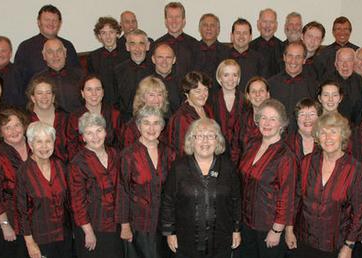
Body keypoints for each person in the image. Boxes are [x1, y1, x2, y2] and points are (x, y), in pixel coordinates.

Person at [286, 112, 362, 258]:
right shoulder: (307, 162)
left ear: (342, 136)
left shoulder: (355, 169)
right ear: (317, 136)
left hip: (334, 245)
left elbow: (359, 212)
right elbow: (295, 199)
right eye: (323, 133)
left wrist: (349, 245)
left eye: (333, 132)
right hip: (303, 240)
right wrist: (289, 229)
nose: (328, 138)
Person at [161, 118, 241, 258]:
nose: (205, 141)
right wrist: (170, 232)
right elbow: (168, 201)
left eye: (210, 135)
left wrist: (236, 229)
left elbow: (236, 200)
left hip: (221, 238)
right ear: (191, 140)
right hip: (186, 239)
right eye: (199, 136)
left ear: (218, 140)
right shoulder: (178, 168)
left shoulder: (228, 167)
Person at [237, 99, 296, 258]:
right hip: (246, 223)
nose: (267, 123)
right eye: (263, 118)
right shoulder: (252, 145)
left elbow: (287, 196)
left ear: (282, 124)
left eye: (273, 119)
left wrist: (277, 230)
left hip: (268, 227)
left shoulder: (286, 156)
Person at [117, 107, 176, 258]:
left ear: (162, 126)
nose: (151, 128)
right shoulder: (128, 155)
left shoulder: (169, 153)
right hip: (139, 225)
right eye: (146, 123)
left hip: (164, 225)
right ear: (138, 126)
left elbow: (174, 192)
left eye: (156, 123)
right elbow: (123, 192)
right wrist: (124, 226)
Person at [69, 113, 123, 258]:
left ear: (105, 132)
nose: (95, 137)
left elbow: (124, 191)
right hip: (93, 227)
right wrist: (88, 232)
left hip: (116, 225)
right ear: (83, 137)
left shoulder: (115, 154)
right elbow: (77, 202)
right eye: (89, 133)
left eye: (98, 130)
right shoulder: (77, 163)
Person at [17, 121, 72, 258]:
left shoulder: (60, 165)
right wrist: (30, 243)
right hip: (40, 238)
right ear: (30, 144)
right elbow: (21, 211)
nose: (44, 147)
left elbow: (69, 202)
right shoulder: (24, 172)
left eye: (48, 141)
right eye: (39, 142)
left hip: (64, 234)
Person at [0, 108, 31, 258]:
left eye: (16, 125)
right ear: (1, 131)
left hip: (40, 215)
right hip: (13, 218)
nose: (13, 131)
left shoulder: (37, 144)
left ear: (24, 125)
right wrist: (5, 225)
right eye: (7, 127)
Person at [15, 4, 80, 80]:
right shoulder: (25, 47)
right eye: (47, 20)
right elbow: (18, 79)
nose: (51, 24)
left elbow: (78, 74)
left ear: (59, 23)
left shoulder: (68, 45)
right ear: (39, 22)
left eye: (54, 20)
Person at [66, 75, 121, 160]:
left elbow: (121, 144)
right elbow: (71, 148)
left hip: (112, 163)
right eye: (89, 89)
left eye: (98, 89)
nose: (94, 94)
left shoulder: (115, 114)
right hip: (84, 165)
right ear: (82, 93)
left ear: (103, 92)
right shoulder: (74, 118)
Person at [165, 71, 213, 156]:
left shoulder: (208, 109)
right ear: (187, 93)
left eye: (205, 89)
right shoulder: (181, 117)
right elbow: (181, 151)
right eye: (198, 91)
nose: (203, 94)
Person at [31, 38, 85, 113]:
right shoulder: (37, 79)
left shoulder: (81, 75)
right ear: (44, 56)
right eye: (50, 52)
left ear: (65, 53)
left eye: (59, 51)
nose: (55, 56)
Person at [209, 59, 246, 163]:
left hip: (241, 155)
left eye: (234, 75)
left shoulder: (246, 102)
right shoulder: (210, 101)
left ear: (238, 78)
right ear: (219, 78)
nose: (231, 79)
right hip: (216, 154)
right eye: (226, 75)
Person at [26, 76, 70, 163]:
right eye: (39, 93)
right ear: (33, 98)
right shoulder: (25, 121)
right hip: (36, 172)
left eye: (48, 93)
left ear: (53, 97)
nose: (44, 97)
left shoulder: (66, 119)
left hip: (66, 170)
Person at [268, 41, 318, 117]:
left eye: (298, 57)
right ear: (284, 57)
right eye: (290, 56)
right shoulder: (271, 84)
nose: (293, 61)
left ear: (304, 60)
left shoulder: (314, 86)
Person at [87, 17, 130, 106]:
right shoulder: (93, 57)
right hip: (103, 103)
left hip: (125, 103)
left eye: (111, 32)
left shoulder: (127, 54)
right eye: (104, 33)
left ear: (117, 34)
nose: (108, 36)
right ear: (99, 36)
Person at [114, 29, 154, 120]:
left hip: (152, 118)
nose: (137, 48)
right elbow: (115, 101)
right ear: (127, 47)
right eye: (133, 44)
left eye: (141, 43)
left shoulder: (155, 69)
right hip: (126, 120)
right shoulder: (118, 70)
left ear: (147, 46)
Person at [120, 76, 170, 147]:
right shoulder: (132, 126)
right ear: (142, 98)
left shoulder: (167, 123)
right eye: (151, 95)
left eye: (159, 94)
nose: (156, 99)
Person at [155, 2, 198, 78]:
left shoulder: (195, 44)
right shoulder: (156, 45)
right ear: (165, 21)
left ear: (183, 21)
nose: (174, 21)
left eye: (177, 17)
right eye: (170, 17)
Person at [233, 77, 271, 162]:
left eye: (261, 91)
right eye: (253, 91)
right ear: (248, 96)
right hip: (243, 170)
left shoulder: (277, 120)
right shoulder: (241, 119)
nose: (257, 94)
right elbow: (235, 150)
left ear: (268, 95)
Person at [229, 18, 267, 91]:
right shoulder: (222, 57)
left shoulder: (260, 59)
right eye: (238, 33)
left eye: (245, 33)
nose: (241, 36)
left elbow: (263, 85)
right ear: (232, 36)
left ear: (250, 37)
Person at [194, 13, 230, 79]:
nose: (208, 28)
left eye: (212, 25)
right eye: (205, 25)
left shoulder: (227, 52)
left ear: (218, 30)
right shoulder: (191, 50)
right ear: (199, 29)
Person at [251, 8, 283, 77]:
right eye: (264, 21)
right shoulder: (250, 47)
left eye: (271, 22)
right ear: (258, 24)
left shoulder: (284, 48)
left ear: (276, 25)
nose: (267, 26)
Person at [150, 43, 182, 112]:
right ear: (153, 59)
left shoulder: (182, 84)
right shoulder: (145, 84)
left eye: (168, 57)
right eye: (160, 57)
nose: (164, 62)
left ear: (174, 60)